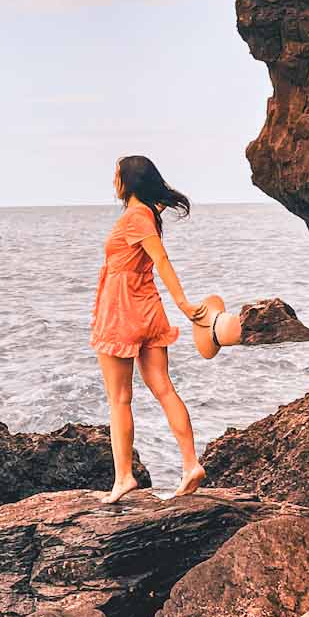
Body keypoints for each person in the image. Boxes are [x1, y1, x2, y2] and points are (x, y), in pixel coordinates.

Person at [88, 154, 209, 502]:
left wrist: (185, 305)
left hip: (122, 311)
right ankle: (190, 464)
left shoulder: (136, 217)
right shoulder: (149, 215)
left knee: (119, 399)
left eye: (116, 174)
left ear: (129, 181)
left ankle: (123, 478)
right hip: (148, 308)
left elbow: (162, 260)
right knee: (164, 388)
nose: (113, 180)